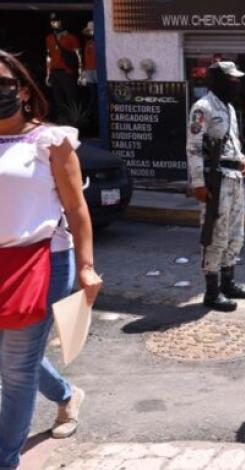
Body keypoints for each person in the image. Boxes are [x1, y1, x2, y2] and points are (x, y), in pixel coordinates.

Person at [0, 49, 101, 469]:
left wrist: (86, 266)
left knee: (16, 371)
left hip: (39, 261)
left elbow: (77, 208)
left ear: (23, 90)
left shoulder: (51, 141)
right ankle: (65, 395)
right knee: (15, 359)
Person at [186, 61, 245, 312]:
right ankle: (212, 290)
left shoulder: (228, 107)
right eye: (231, 80)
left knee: (236, 234)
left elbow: (232, 142)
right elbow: (194, 147)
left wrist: (242, 158)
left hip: (234, 178)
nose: (236, 84)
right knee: (215, 234)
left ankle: (229, 282)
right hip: (216, 180)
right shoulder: (202, 108)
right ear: (218, 81)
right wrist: (197, 183)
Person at [45, 13, 80, 122]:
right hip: (54, 72)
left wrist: (81, 73)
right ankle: (62, 119)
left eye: (57, 21)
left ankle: (74, 120)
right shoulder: (49, 38)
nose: (54, 24)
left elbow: (78, 56)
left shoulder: (71, 38)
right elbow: (48, 56)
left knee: (71, 97)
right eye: (52, 22)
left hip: (67, 71)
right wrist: (48, 74)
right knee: (57, 98)